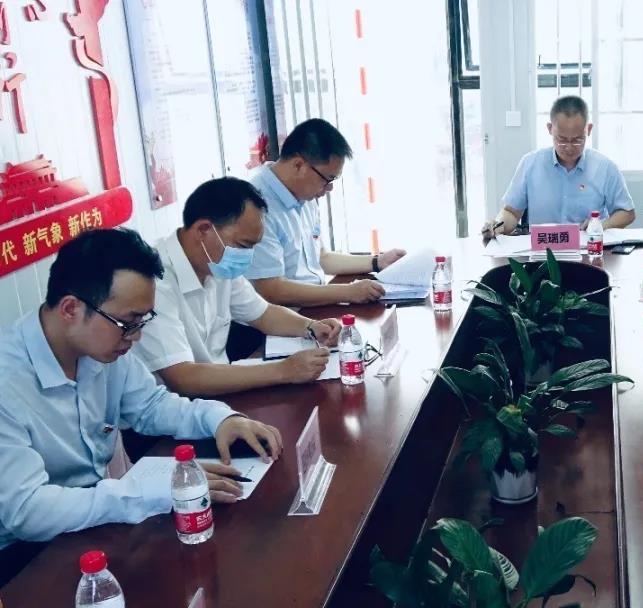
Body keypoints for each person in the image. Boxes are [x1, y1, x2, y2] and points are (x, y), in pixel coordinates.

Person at [0, 228, 282, 554]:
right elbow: (27, 510)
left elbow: (151, 406)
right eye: (128, 322)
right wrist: (146, 492)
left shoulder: (101, 347)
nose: (135, 337)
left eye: (142, 321)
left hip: (96, 521)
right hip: (25, 555)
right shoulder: (9, 382)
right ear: (70, 309)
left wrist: (220, 419)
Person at [133, 177, 343, 397]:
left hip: (221, 393)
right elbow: (183, 378)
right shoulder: (153, 282)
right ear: (203, 230)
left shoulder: (215, 263)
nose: (247, 256)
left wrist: (311, 327)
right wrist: (285, 370)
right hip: (178, 408)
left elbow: (263, 314)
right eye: (243, 245)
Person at [245, 118, 406, 307]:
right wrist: (348, 292)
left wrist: (378, 262)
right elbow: (272, 290)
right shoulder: (254, 205)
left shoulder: (304, 195)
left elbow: (321, 258)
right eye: (327, 179)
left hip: (314, 310)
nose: (329, 189)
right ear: (298, 165)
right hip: (283, 319)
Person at [481, 95, 635, 237]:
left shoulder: (605, 167)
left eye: (577, 140)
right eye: (561, 140)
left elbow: (627, 213)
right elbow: (511, 212)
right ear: (550, 129)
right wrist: (497, 226)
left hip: (590, 250)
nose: (569, 147)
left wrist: (601, 225)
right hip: (543, 251)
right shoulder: (530, 164)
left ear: (588, 130)